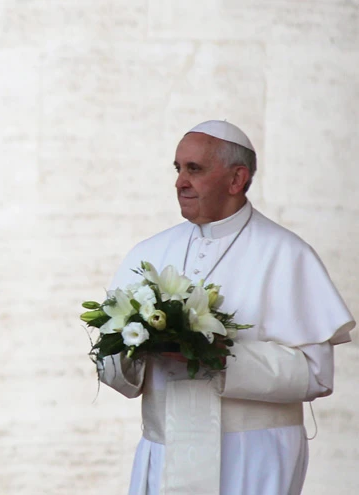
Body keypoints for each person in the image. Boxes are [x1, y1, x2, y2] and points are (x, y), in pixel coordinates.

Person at [99, 120, 355, 495]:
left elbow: (316, 375)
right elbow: (110, 365)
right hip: (165, 449)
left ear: (237, 179)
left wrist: (218, 358)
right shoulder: (149, 253)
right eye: (178, 169)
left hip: (252, 452)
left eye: (194, 169)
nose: (180, 182)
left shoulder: (286, 254)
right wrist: (135, 351)